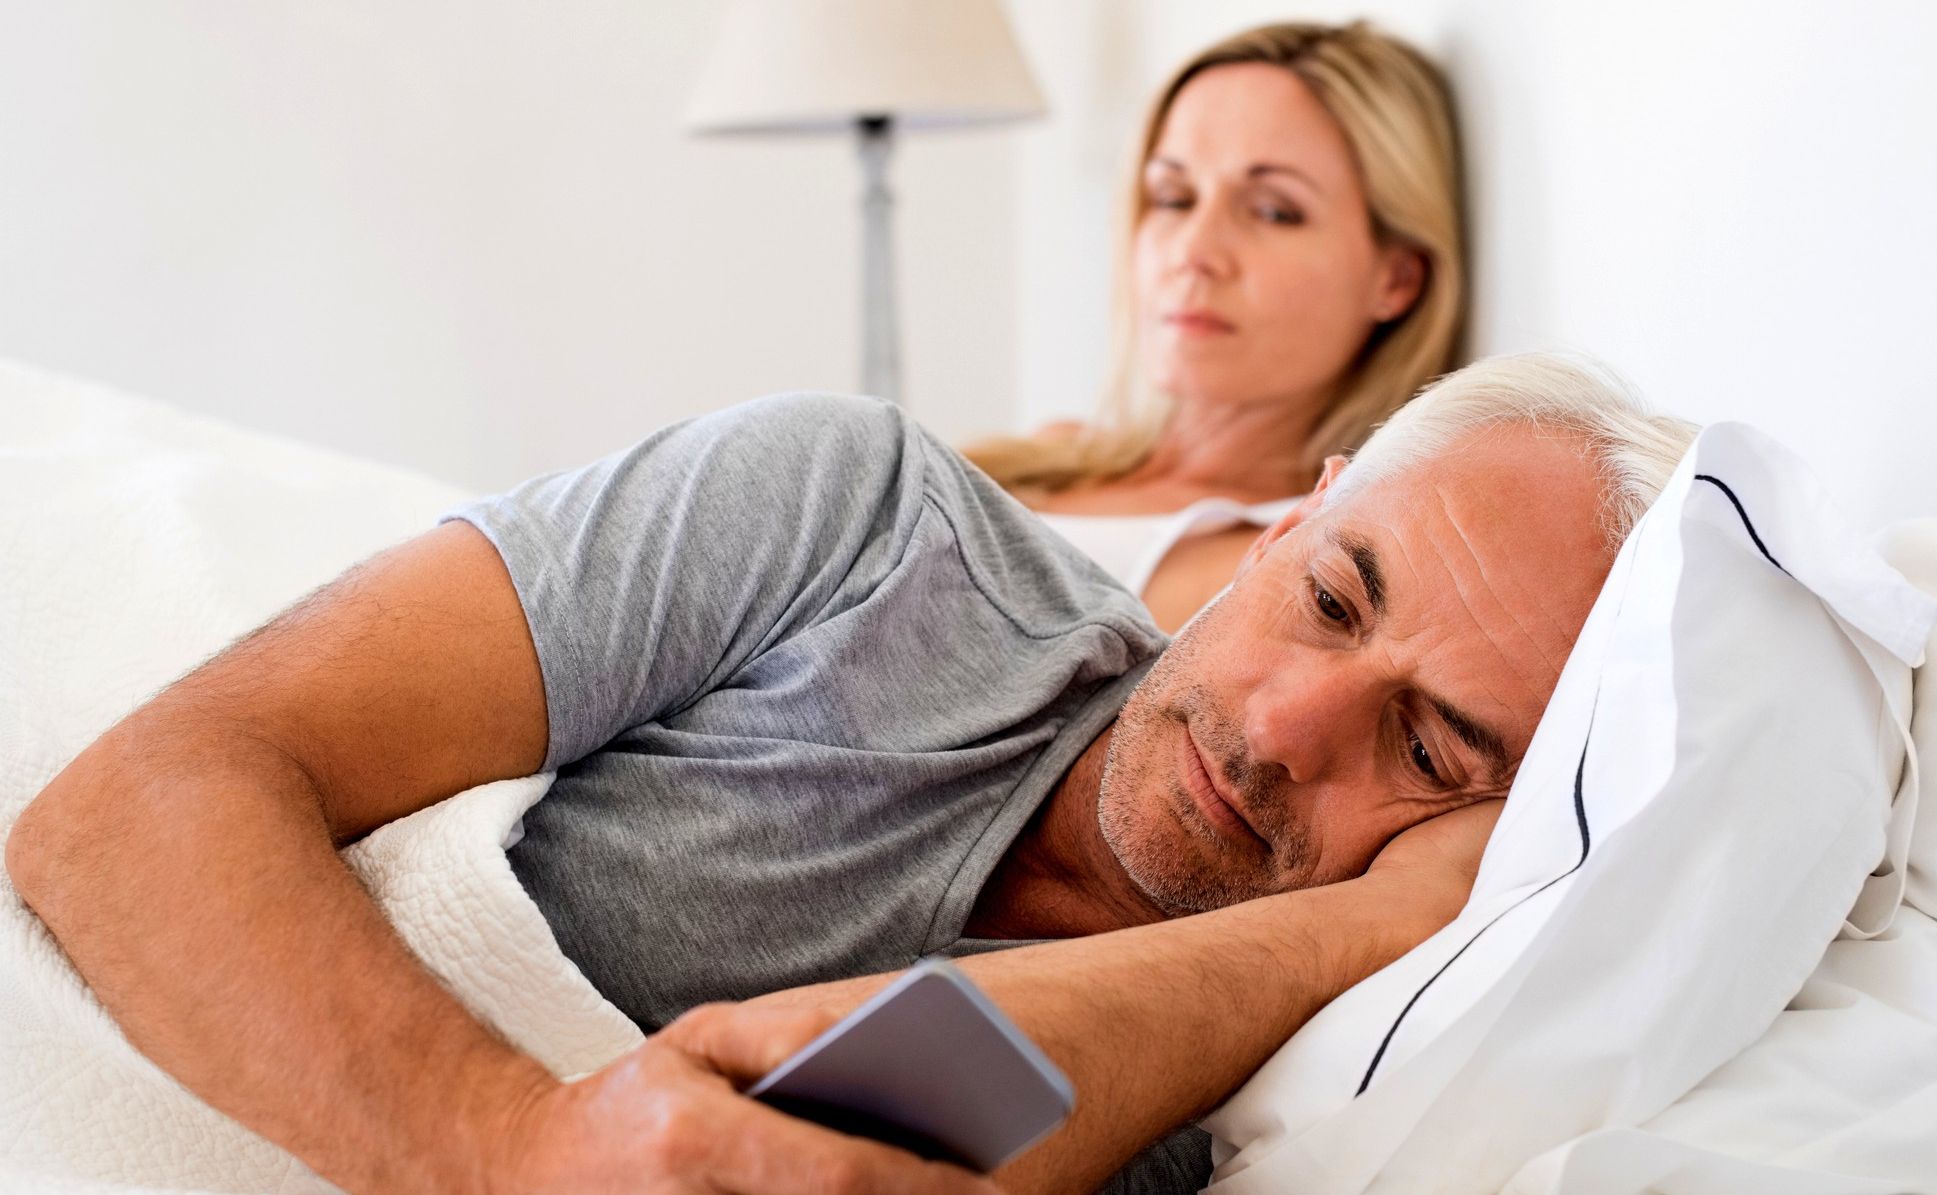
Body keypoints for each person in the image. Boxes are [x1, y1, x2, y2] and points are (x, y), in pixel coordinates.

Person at [8, 353, 1694, 1194]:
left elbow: (827, 1147)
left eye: (1427, 745)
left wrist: (1356, 931)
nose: (1281, 731)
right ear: (1291, 521)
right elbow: (133, 802)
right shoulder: (869, 528)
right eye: (1330, 597)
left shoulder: (1285, 1086)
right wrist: (512, 1143)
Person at [966, 20, 1465, 633]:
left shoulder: (1308, 567)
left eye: (1273, 211)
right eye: (1173, 198)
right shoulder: (1043, 456)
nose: (1194, 252)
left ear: (1397, 280)